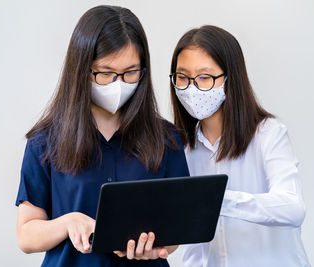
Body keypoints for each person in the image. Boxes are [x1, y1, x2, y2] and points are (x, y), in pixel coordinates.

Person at [15, 5, 189, 267]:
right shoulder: (44, 141)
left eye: (130, 72)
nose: (118, 84)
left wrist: (155, 245)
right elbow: (26, 235)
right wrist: (68, 222)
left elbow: (176, 230)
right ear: (82, 70)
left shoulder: (166, 139)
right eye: (106, 73)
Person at [169, 25, 311, 267]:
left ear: (229, 79)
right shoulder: (182, 148)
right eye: (183, 77)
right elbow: (193, 245)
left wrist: (217, 200)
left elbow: (293, 208)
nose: (191, 87)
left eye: (204, 77)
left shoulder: (268, 134)